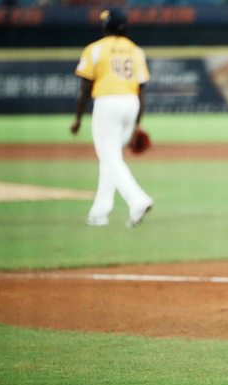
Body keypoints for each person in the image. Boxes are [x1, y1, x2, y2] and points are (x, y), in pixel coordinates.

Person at [70, 8, 153, 228]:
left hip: (108, 103)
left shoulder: (95, 49)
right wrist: (138, 122)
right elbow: (142, 89)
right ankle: (100, 212)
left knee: (109, 157)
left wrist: (78, 119)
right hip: (131, 102)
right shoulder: (136, 50)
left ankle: (137, 200)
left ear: (106, 26)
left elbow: (85, 87)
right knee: (112, 157)